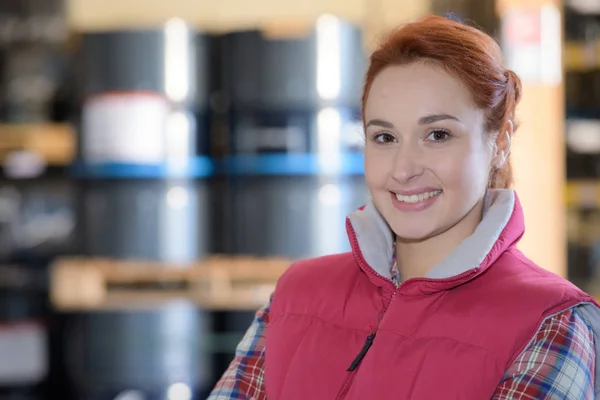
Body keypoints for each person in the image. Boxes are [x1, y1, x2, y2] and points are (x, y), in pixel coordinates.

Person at [208, 15, 600, 400]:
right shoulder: (295, 296)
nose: (404, 169)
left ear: (499, 142)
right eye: (384, 137)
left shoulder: (553, 324)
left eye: (437, 134)